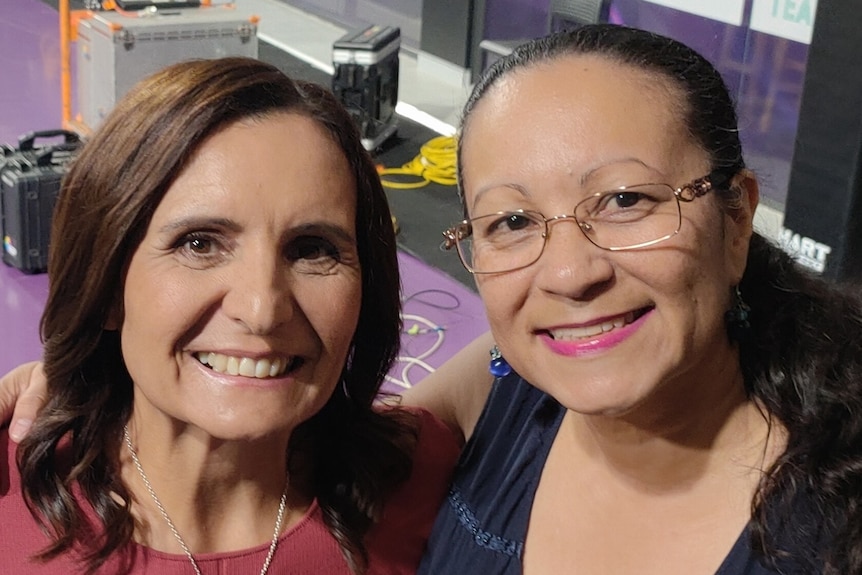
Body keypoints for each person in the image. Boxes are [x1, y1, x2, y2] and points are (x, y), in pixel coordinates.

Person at [5, 25, 862, 574]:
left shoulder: (404, 477)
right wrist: (81, 375)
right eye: (513, 220)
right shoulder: (480, 421)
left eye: (627, 201)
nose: (568, 276)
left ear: (738, 214)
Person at [0, 56, 458, 574]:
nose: (263, 310)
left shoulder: (422, 477)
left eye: (312, 249)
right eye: (199, 243)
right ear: (106, 286)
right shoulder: (8, 494)